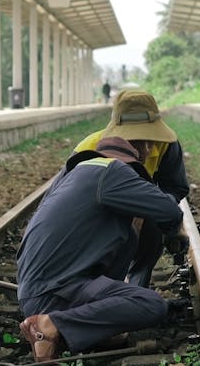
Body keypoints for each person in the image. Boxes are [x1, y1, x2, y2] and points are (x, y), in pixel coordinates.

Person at [16, 136, 183, 361]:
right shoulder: (112, 171)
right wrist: (173, 234)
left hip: (38, 292)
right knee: (151, 304)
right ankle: (51, 324)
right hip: (55, 294)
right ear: (129, 164)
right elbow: (169, 210)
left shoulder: (71, 177)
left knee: (126, 234)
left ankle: (81, 329)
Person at [70, 89, 189, 287]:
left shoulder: (166, 146)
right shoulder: (88, 149)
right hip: (96, 218)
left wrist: (152, 209)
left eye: (148, 139)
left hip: (144, 208)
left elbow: (175, 187)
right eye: (134, 140)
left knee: (152, 224)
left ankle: (135, 285)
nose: (146, 149)